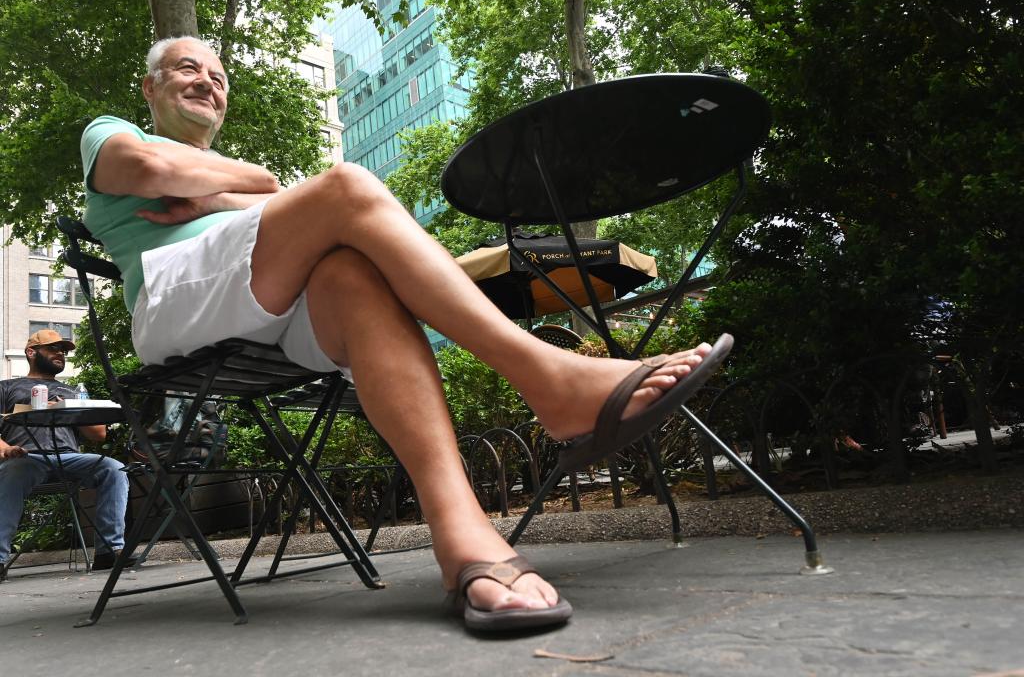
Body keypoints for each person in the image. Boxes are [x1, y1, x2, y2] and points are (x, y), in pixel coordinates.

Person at [78, 36, 726, 632]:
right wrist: (232, 184)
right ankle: (548, 377)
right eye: (187, 69)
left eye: (218, 76)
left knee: (354, 272)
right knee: (349, 187)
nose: (206, 83)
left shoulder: (223, 176)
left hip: (267, 303)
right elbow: (160, 170)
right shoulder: (110, 134)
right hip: (175, 301)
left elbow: (269, 188)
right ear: (150, 88)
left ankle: (463, 537)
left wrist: (219, 190)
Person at [0, 330, 131, 580]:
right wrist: (5, 449)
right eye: (53, 348)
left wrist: (68, 409)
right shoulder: (7, 388)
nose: (60, 353)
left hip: (70, 458)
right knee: (14, 470)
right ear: (31, 353)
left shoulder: (72, 391)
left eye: (63, 350)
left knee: (113, 468)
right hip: (26, 457)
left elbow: (98, 434)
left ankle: (109, 551)